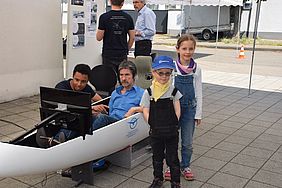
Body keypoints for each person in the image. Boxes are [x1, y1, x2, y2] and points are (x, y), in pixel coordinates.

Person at [164, 34, 202, 181]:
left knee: (187, 142)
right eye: (184, 48)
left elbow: (199, 91)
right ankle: (171, 166)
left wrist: (198, 113)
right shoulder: (171, 68)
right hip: (173, 109)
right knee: (172, 140)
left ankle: (185, 166)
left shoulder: (197, 69)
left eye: (191, 49)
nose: (187, 52)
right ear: (177, 49)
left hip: (190, 110)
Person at [141, 56, 182, 188]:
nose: (164, 77)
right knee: (157, 158)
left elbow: (177, 110)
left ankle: (175, 182)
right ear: (154, 72)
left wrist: (174, 124)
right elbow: (145, 110)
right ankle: (158, 179)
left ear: (171, 73)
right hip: (156, 131)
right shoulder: (149, 92)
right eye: (160, 73)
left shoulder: (174, 91)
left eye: (167, 73)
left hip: (171, 132)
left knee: (173, 158)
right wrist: (152, 123)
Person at [54, 63, 108, 142]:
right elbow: (68, 106)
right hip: (63, 119)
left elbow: (100, 100)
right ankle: (56, 139)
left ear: (87, 81)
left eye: (83, 81)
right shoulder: (62, 87)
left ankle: (57, 140)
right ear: (72, 77)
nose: (79, 84)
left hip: (78, 121)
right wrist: (90, 108)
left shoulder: (87, 88)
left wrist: (101, 107)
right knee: (75, 124)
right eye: (77, 80)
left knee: (90, 120)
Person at [92, 60, 144, 130]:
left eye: (127, 75)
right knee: (88, 116)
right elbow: (110, 113)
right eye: (121, 75)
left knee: (102, 118)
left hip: (125, 124)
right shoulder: (115, 93)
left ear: (134, 76)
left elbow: (149, 110)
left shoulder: (141, 93)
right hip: (111, 122)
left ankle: (85, 139)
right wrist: (100, 111)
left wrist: (133, 109)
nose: (123, 78)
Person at [96, 0, 135, 73]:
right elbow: (132, 37)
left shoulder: (104, 17)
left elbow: (99, 38)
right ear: (122, 3)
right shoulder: (128, 17)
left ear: (110, 2)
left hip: (108, 53)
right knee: (122, 76)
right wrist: (126, 49)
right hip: (122, 52)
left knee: (109, 78)